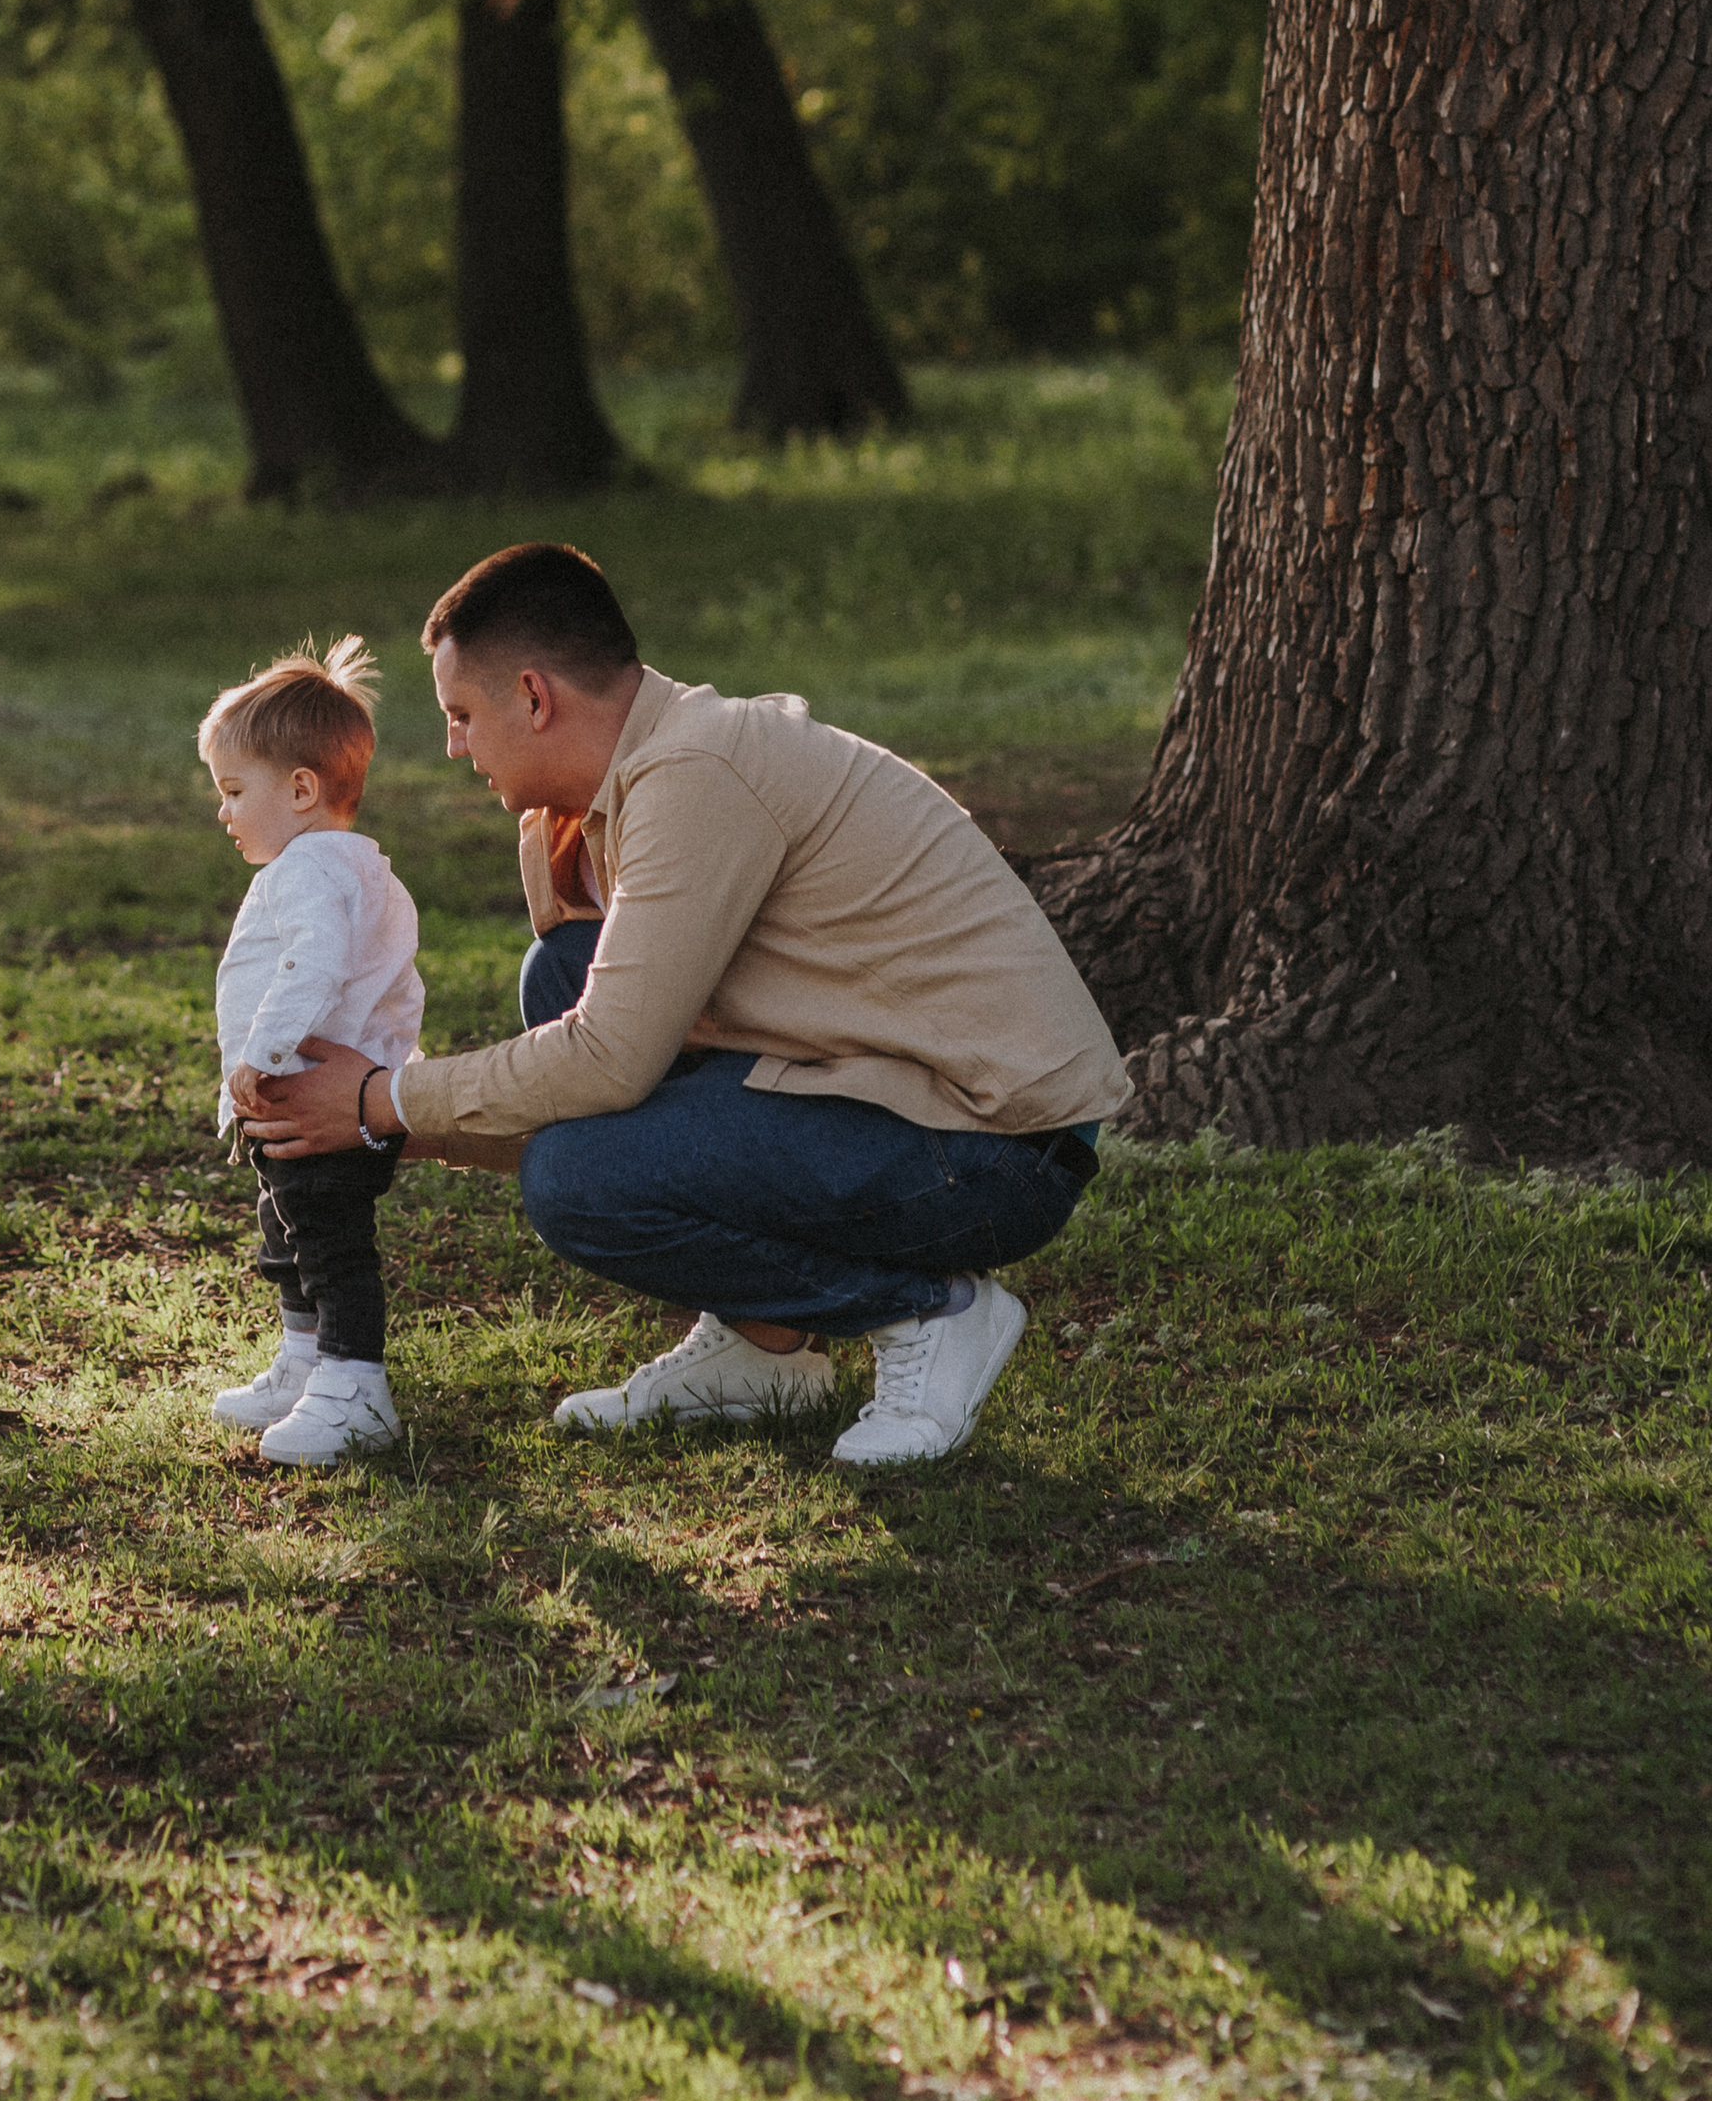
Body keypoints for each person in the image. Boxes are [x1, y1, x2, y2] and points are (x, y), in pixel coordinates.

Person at [246, 543, 1127, 1469]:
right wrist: (392, 1125)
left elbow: (607, 1064)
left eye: (461, 715)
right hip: (882, 1088)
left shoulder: (697, 773)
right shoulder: (601, 802)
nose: (455, 746)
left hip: (999, 1147)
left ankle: (930, 1316)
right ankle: (766, 1348)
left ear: (535, 698)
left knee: (577, 1180)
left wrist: (383, 1102)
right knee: (565, 972)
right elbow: (602, 1065)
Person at [202, 636, 424, 1467]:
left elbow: (313, 967)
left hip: (312, 1101)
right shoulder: (368, 872)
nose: (223, 812)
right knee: (289, 1233)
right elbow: (398, 990)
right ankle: (304, 1364)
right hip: (348, 1100)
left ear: (301, 789)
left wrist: (259, 1055)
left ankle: (355, 1389)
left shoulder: (303, 873)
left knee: (330, 1249)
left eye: (234, 792)